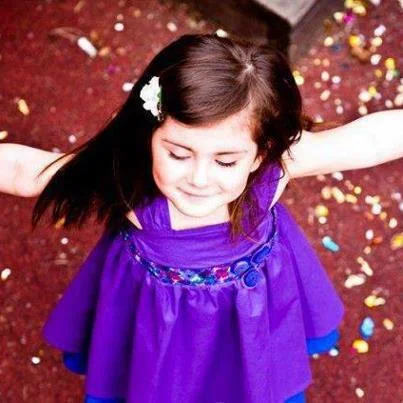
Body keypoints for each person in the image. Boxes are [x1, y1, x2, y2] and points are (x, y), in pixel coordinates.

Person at [0, 34, 402, 403]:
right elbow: (26, 172)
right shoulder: (128, 183)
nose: (199, 178)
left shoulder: (274, 169)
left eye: (226, 161)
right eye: (178, 154)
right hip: (160, 326)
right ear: (149, 135)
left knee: (248, 380)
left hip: (249, 317)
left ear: (261, 152)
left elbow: (364, 140)